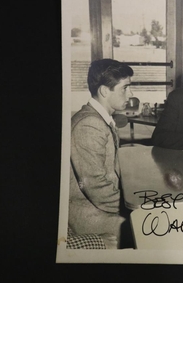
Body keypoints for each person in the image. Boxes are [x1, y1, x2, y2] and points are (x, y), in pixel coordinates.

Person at [68, 58, 134, 249]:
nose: (131, 93)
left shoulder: (99, 118)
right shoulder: (90, 124)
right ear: (105, 91)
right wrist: (130, 208)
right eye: (125, 88)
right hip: (86, 211)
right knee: (145, 227)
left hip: (99, 203)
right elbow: (96, 187)